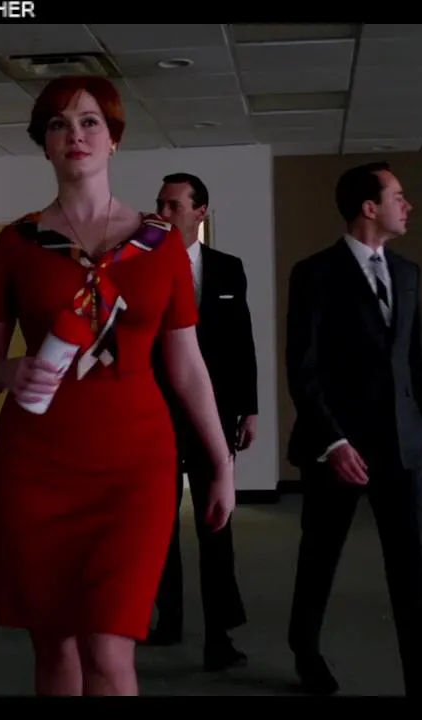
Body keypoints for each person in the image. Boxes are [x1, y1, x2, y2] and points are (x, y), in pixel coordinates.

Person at [0, 76, 237, 697]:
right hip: (38, 464)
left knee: (110, 651)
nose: (76, 135)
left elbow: (188, 365)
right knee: (54, 644)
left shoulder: (160, 245)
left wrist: (220, 463)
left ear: (113, 139)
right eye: (58, 124)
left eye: (90, 121)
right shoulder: (15, 245)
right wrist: (10, 370)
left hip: (134, 467)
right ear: (44, 144)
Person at [283, 161, 422, 696]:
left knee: (413, 574)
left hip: (403, 446)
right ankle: (305, 651)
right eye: (398, 196)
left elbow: (417, 362)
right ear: (369, 207)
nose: (408, 206)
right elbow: (303, 369)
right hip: (338, 449)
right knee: (319, 560)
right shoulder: (314, 274)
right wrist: (334, 441)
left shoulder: (408, 273)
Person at [147, 173, 256, 671]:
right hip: (157, 413)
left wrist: (250, 408)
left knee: (216, 524)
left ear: (200, 212)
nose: (164, 213)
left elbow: (242, 342)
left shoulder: (228, 269)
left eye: (174, 205)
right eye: (160, 204)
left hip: (216, 413)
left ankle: (220, 635)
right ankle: (167, 618)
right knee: (159, 523)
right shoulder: (142, 264)